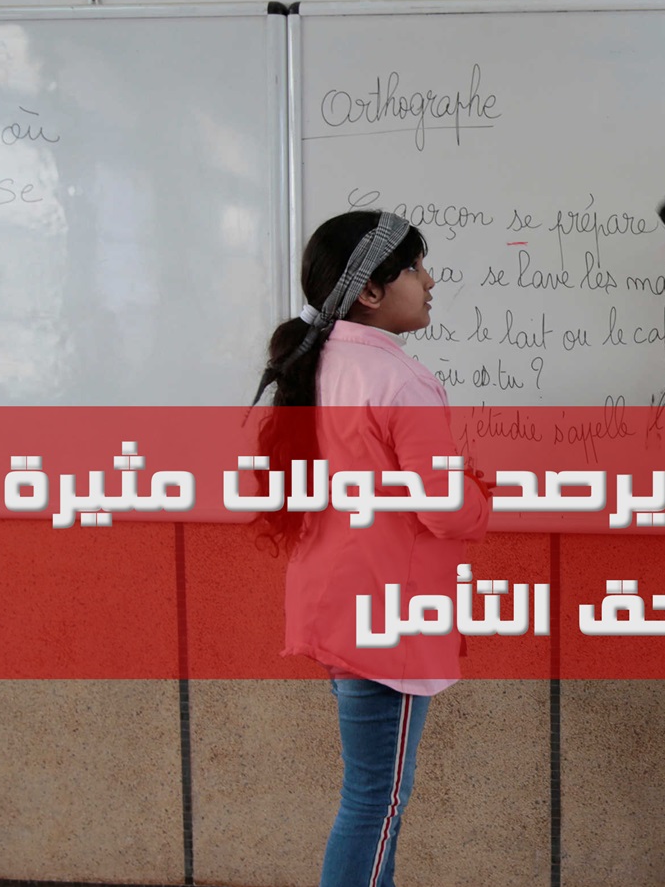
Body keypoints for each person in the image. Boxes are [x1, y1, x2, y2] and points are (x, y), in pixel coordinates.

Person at [250, 209, 489, 887]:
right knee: (374, 806)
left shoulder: (316, 362)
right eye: (413, 267)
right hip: (389, 619)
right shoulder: (400, 381)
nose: (429, 281)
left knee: (369, 799)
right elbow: (446, 511)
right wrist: (479, 494)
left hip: (335, 607)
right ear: (370, 292)